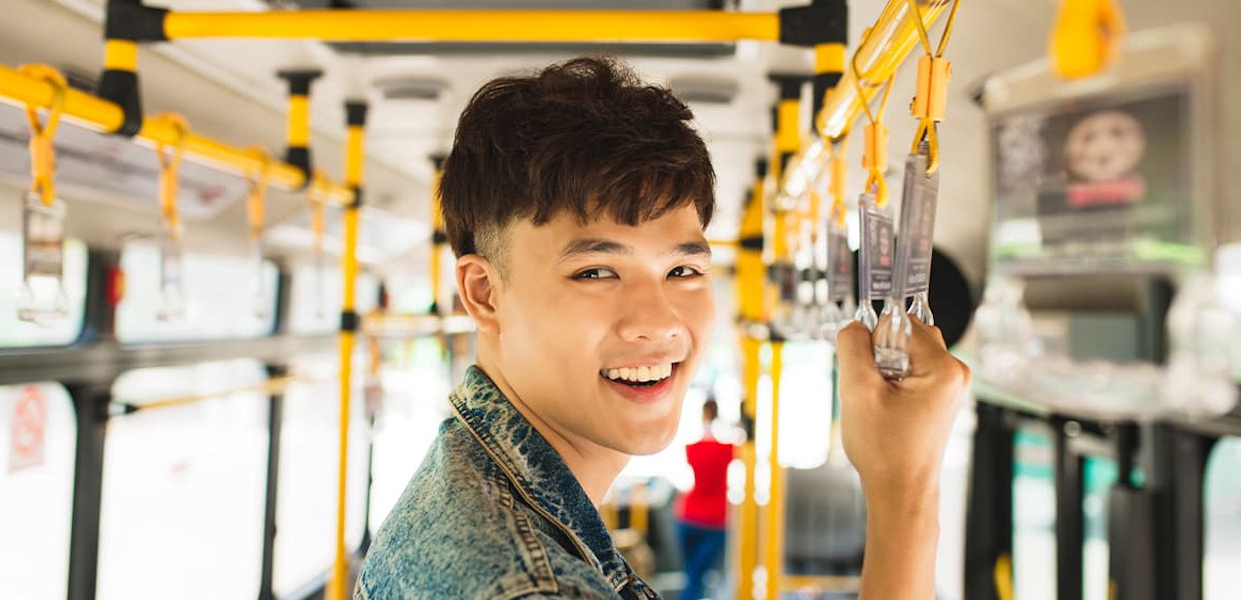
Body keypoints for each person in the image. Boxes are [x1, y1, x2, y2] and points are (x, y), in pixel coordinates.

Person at [357, 56, 970, 600]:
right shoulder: (530, 583)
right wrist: (904, 489)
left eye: (682, 268)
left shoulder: (472, 492)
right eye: (595, 271)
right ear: (485, 294)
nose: (658, 323)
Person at [674, 397, 733, 600]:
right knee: (697, 576)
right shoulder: (728, 450)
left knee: (692, 574)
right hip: (714, 520)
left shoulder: (692, 448)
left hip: (688, 517)